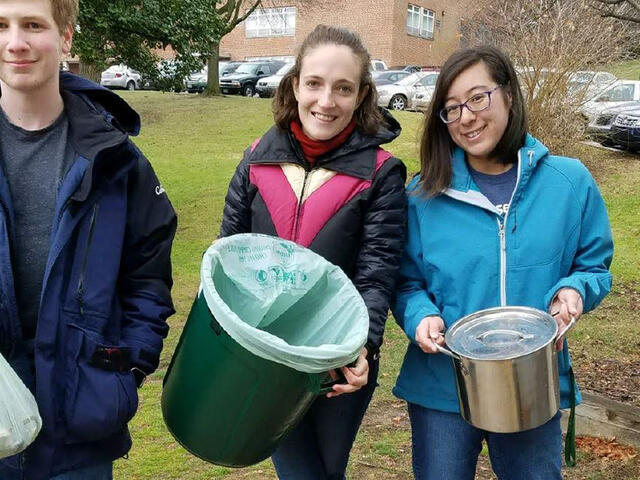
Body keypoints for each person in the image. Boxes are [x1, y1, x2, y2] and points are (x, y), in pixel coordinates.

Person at [392, 45, 613, 480]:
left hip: (531, 384)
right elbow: (404, 283)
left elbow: (594, 267)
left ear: (508, 94)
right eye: (451, 109)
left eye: (478, 98)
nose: (467, 117)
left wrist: (573, 291)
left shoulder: (570, 184)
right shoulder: (422, 195)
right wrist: (420, 317)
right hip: (443, 385)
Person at [219, 24, 407, 480]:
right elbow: (228, 254)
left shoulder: (382, 173)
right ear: (295, 84)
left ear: (362, 95)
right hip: (267, 356)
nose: (326, 101)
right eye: (315, 84)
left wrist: (362, 347)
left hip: (337, 359)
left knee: (326, 469)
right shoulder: (256, 159)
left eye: (343, 88)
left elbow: (376, 271)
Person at [0, 1, 177, 479]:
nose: (15, 42)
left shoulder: (117, 160)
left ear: (66, 36)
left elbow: (148, 278)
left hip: (79, 428)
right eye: (1, 25)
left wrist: (127, 369)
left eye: (33, 25)